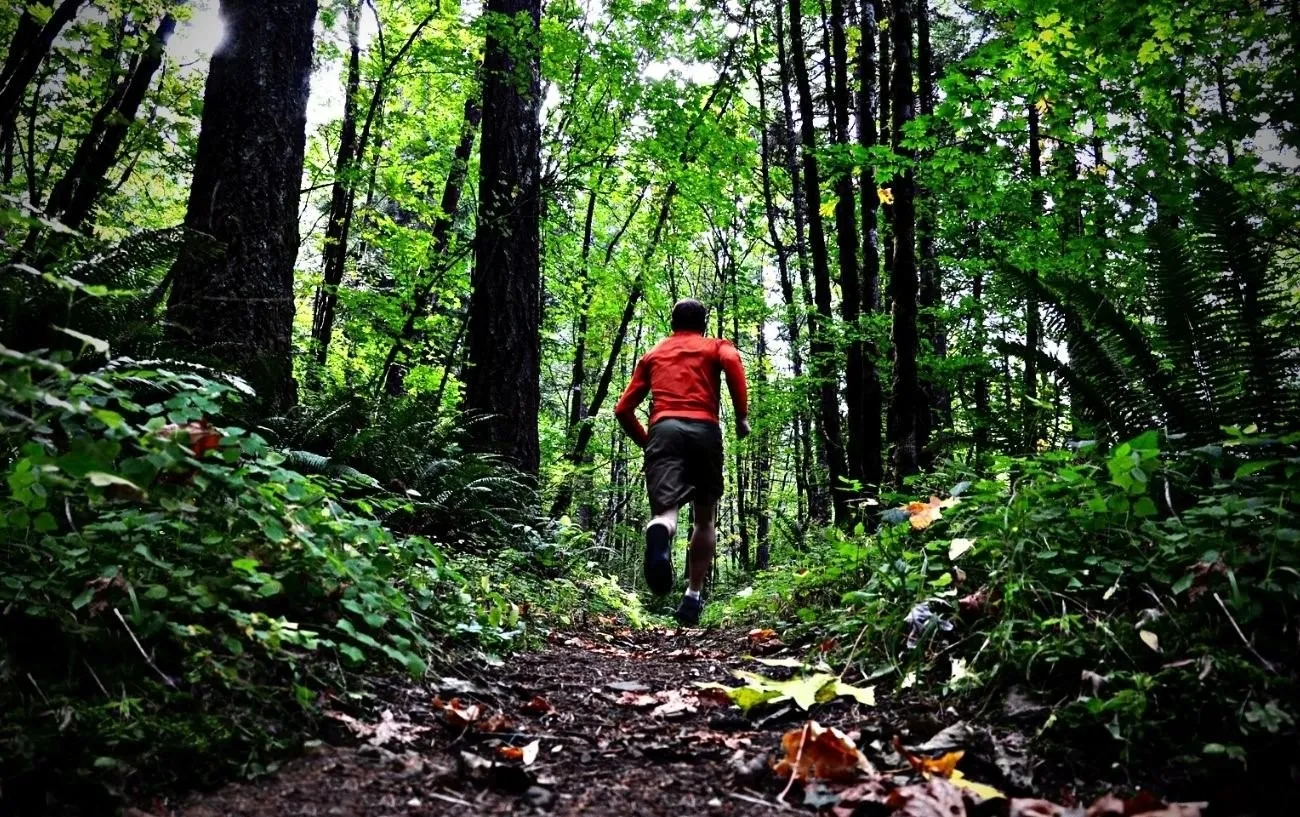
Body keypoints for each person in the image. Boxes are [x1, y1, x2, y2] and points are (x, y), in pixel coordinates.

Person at [613, 298, 749, 626]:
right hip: (704, 429)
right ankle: (692, 596)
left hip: (664, 429)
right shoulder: (715, 346)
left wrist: (650, 443)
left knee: (665, 513)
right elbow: (732, 361)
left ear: (673, 322)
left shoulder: (654, 354)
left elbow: (622, 410)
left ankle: (659, 534)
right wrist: (742, 416)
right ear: (703, 323)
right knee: (705, 519)